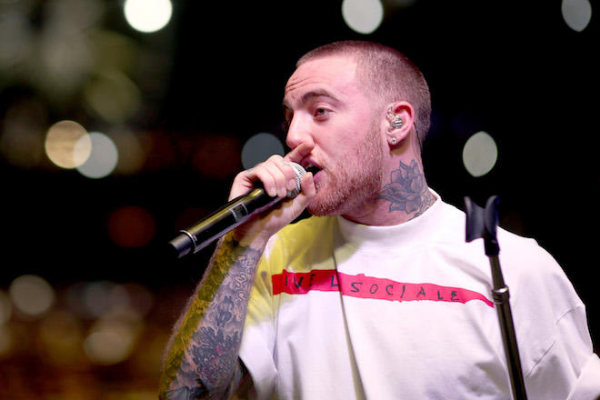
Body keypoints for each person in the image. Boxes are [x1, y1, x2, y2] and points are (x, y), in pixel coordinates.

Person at [159, 41, 600, 399]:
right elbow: (187, 394)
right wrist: (241, 242)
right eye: (291, 116)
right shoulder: (273, 255)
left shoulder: (513, 269)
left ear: (396, 123)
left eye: (320, 111)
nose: (293, 135)